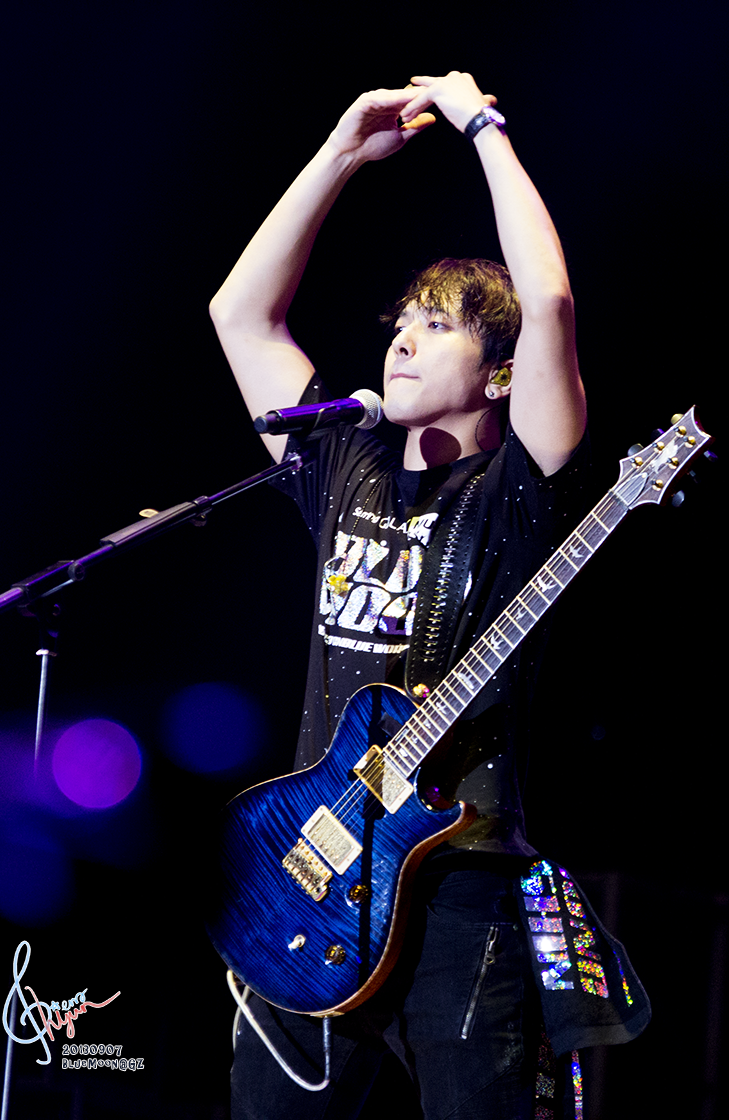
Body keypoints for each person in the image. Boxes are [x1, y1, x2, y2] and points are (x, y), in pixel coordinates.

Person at [209, 71, 648, 1120]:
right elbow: (239, 313)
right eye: (400, 320)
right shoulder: (342, 463)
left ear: (499, 373)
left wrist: (481, 125)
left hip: (461, 892)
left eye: (438, 324)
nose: (402, 338)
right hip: (312, 879)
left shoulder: (519, 487)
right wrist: (339, 153)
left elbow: (547, 303)